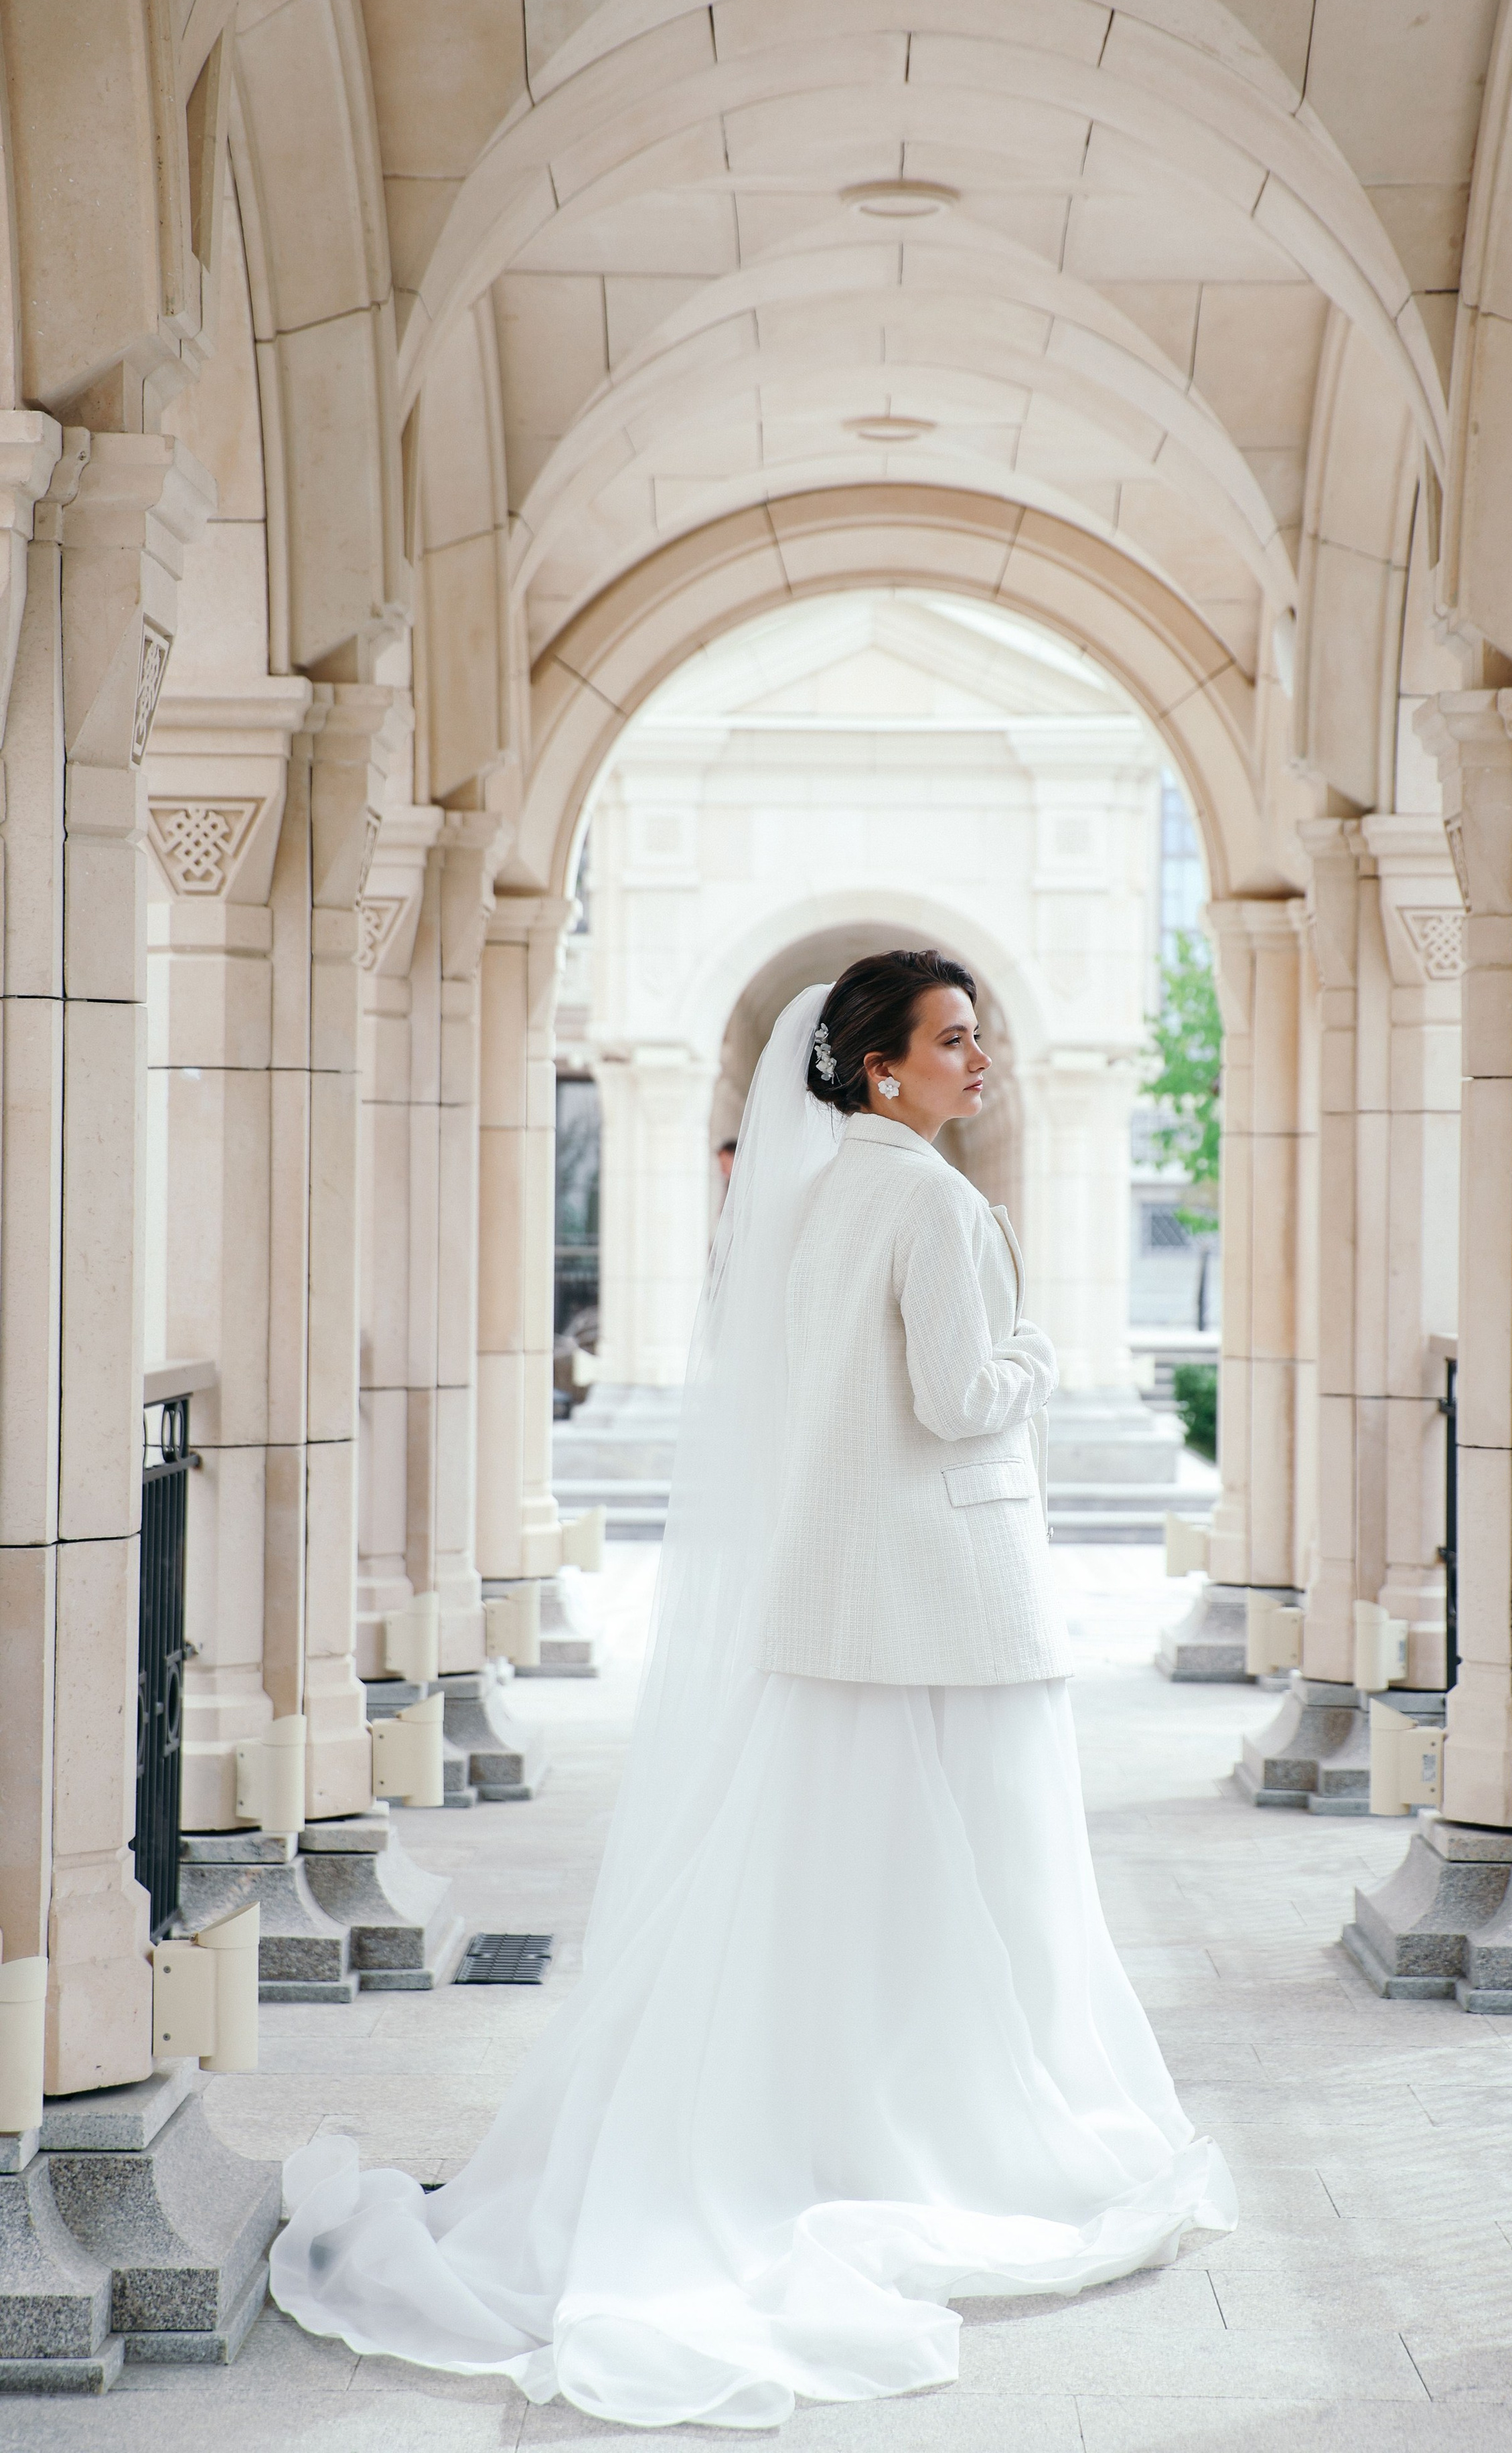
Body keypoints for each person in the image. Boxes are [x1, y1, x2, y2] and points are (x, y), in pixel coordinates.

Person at [269, 949, 1235, 2429]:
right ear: (878, 1069)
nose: (981, 1063)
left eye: (980, 1039)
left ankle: (832, 2131)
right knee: (978, 1896)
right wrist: (1038, 1348)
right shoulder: (929, 1200)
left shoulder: (801, 1197)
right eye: (953, 1041)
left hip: (833, 1599)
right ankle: (936, 2142)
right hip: (950, 1602)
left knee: (837, 1897)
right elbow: (960, 1400)